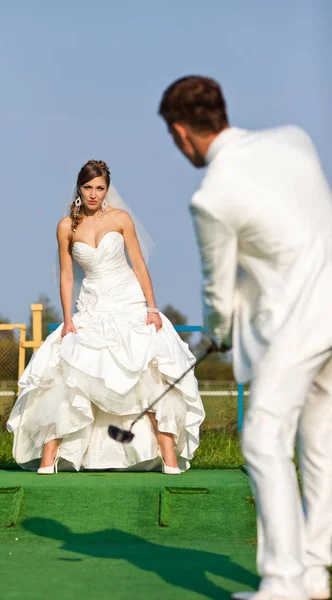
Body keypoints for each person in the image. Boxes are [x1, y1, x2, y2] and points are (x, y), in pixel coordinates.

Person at [159, 76, 332, 600]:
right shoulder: (294, 139)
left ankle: (284, 583)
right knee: (321, 444)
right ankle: (316, 571)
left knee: (262, 438)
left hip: (295, 327)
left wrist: (216, 335)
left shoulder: (210, 198)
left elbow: (218, 290)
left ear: (182, 132)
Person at [7, 159, 204, 475]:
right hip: (92, 306)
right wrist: (68, 319)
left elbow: (139, 265)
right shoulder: (65, 227)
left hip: (129, 302)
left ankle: (169, 461)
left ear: (107, 189)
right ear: (79, 188)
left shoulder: (121, 219)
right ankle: (48, 461)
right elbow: (67, 276)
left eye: (100, 188)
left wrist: (152, 309)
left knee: (148, 370)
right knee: (68, 370)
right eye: (88, 187)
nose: (94, 194)